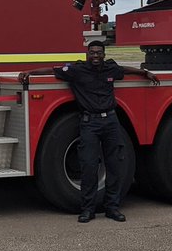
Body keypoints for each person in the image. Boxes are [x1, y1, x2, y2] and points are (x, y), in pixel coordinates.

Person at [20, 41, 159, 223]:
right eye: (92, 53)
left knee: (114, 166)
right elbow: (53, 70)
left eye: (99, 53)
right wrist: (30, 72)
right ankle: (87, 210)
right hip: (89, 123)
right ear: (87, 54)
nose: (95, 56)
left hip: (111, 121)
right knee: (89, 167)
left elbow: (125, 70)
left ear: (103, 54)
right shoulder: (77, 71)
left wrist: (145, 73)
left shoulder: (111, 68)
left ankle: (112, 208)